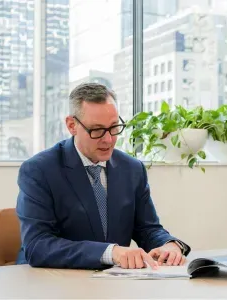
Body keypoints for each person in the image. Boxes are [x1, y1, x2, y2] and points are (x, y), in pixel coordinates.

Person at [16, 82, 190, 269]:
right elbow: (37, 246)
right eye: (97, 130)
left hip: (111, 284)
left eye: (114, 127)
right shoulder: (39, 170)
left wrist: (168, 245)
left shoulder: (132, 169)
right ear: (72, 125)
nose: (108, 139)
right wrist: (110, 252)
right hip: (50, 284)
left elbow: (147, 228)